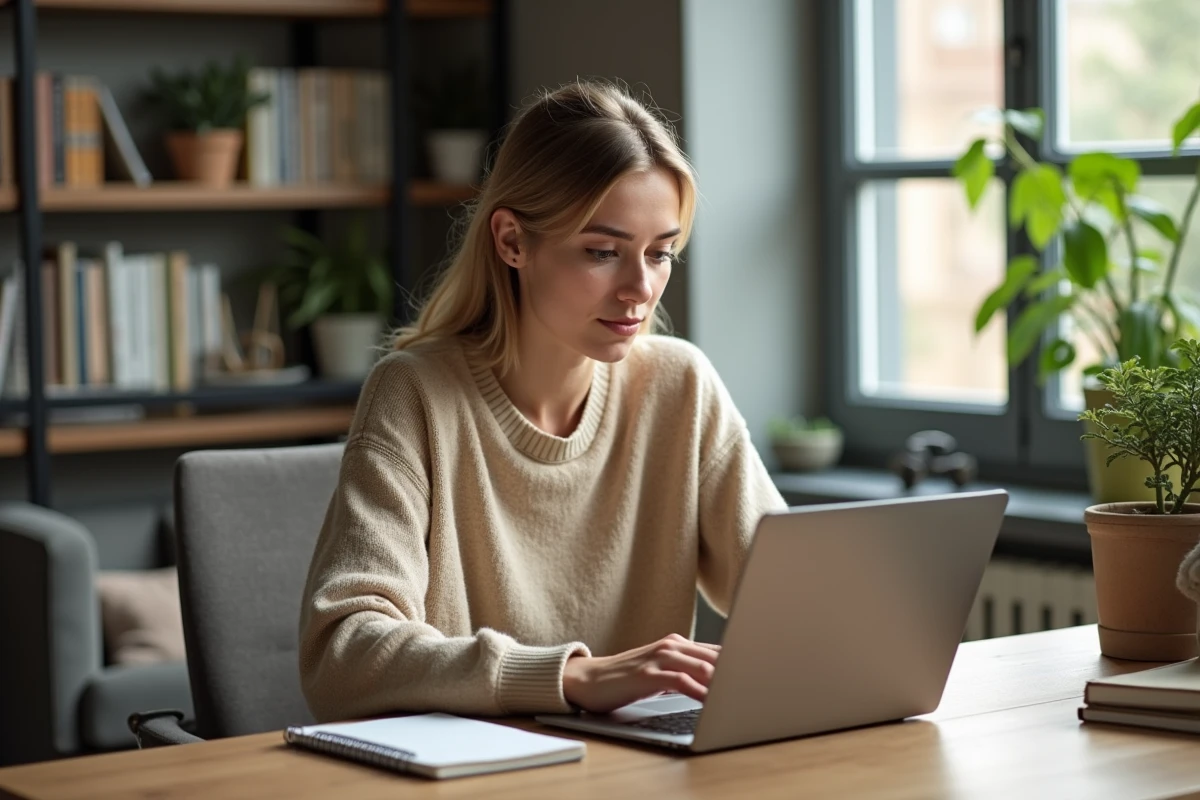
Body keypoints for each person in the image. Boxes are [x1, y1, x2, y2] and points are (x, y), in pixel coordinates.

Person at [297, 79, 787, 723]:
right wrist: (569, 676)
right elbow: (340, 655)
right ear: (512, 242)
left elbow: (785, 596)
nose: (641, 288)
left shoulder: (681, 385)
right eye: (603, 252)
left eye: (662, 253)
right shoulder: (415, 393)